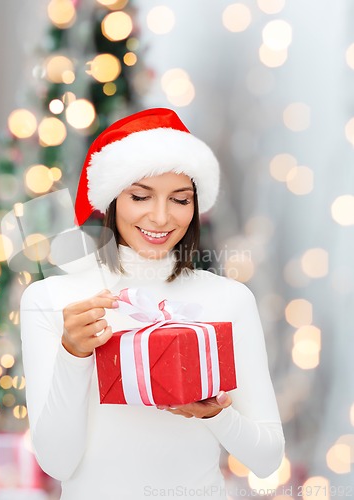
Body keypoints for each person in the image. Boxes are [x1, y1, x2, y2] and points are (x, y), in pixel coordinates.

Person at [20, 108, 285, 500]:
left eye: (180, 199)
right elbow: (58, 463)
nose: (160, 217)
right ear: (111, 199)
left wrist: (215, 413)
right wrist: (73, 354)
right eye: (140, 196)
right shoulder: (52, 300)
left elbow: (266, 459)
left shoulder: (227, 299)